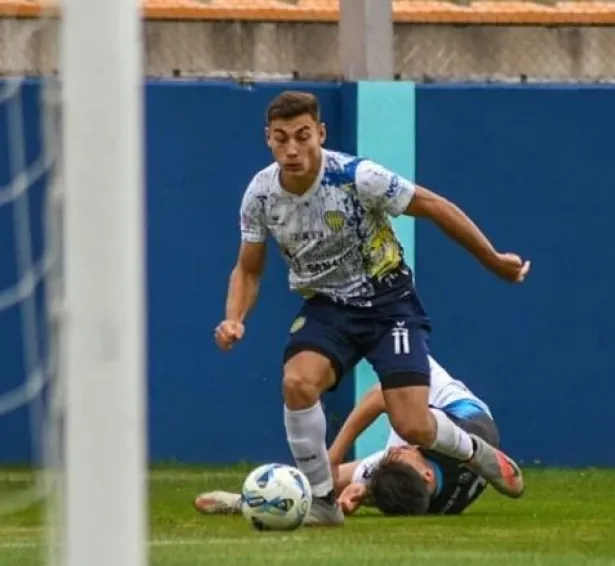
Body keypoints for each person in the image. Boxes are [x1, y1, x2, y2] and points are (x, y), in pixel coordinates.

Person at [213, 91, 528, 527]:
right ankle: (321, 503)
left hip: (389, 303)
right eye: (281, 138)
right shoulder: (261, 195)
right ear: (267, 139)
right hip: (327, 306)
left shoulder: (357, 177)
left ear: (320, 134)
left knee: (414, 425)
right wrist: (234, 318)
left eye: (303, 136)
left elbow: (434, 206)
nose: (292, 149)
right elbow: (248, 269)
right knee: (298, 384)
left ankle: (478, 453)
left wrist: (493, 259)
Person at [194, 356, 500, 518]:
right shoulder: (451, 437)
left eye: (397, 454)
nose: (401, 447)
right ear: (426, 475)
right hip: (456, 411)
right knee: (408, 420)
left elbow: (362, 480)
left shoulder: (410, 484)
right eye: (400, 453)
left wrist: (362, 494)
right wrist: (335, 452)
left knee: (326, 483)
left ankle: (252, 501)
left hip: (425, 460)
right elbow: (382, 395)